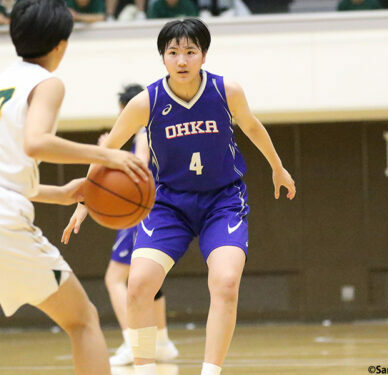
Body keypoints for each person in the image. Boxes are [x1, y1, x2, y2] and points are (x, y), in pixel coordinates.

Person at [62, 18, 296, 375]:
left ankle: (210, 371)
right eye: (173, 53)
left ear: (203, 55)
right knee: (138, 285)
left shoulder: (225, 91)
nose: (182, 60)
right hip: (168, 203)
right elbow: (108, 148)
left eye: (190, 52)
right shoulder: (146, 102)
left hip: (223, 200)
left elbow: (251, 126)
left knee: (226, 282)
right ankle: (144, 369)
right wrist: (84, 201)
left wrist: (278, 168)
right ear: (163, 58)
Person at [0, 1, 149, 375]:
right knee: (82, 319)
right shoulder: (47, 81)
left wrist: (58, 193)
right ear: (61, 44)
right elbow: (36, 143)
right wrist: (110, 157)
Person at [92, 85, 179, 366]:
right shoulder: (158, 129)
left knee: (114, 278)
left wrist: (106, 153)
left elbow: (139, 166)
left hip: (139, 211)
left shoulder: (142, 132)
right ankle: (162, 342)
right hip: (157, 209)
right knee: (146, 279)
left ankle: (133, 342)